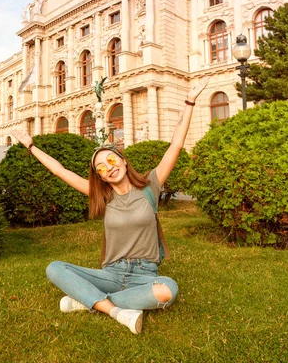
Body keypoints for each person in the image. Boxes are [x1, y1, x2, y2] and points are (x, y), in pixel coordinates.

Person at [11, 76, 209, 335]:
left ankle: (88, 301)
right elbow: (60, 171)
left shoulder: (151, 184)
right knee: (55, 268)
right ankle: (116, 311)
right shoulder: (102, 195)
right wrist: (31, 146)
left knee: (167, 290)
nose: (109, 168)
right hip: (111, 274)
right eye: (101, 167)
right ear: (100, 176)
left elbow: (176, 145)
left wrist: (189, 101)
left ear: (124, 161)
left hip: (145, 274)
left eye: (112, 160)